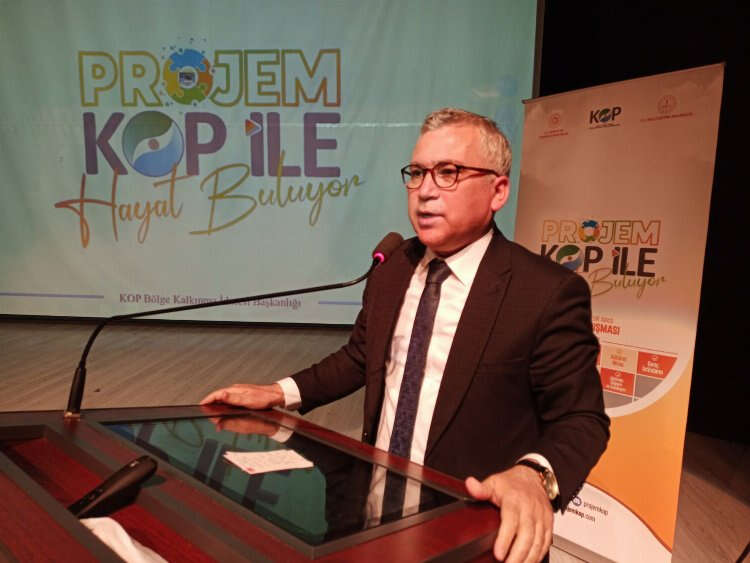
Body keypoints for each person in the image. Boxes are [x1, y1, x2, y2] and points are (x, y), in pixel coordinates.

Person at [201, 108, 610, 562]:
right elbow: (361, 356)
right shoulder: (394, 266)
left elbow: (582, 419)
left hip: (468, 533)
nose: (425, 191)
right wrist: (279, 392)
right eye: (416, 173)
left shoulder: (546, 292)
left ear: (498, 191)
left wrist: (534, 476)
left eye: (448, 173)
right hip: (371, 517)